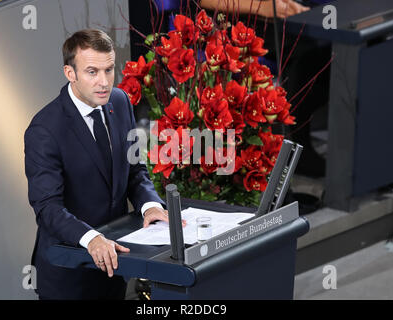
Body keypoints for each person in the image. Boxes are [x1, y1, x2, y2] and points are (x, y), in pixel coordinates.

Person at [24, 29, 169, 300]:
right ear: (70, 73)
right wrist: (92, 239)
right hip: (69, 275)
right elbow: (48, 208)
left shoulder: (120, 101)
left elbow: (135, 169)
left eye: (109, 70)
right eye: (92, 72)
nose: (104, 82)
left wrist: (150, 206)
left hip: (115, 266)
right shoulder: (44, 129)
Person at [200, 0, 331, 177]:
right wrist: (265, 6)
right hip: (234, 16)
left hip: (278, 11)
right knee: (306, 50)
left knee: (331, 37)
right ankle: (296, 144)